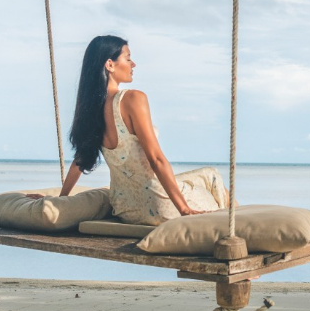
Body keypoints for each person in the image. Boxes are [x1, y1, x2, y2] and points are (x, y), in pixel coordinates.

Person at [58, 34, 229, 225]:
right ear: (110, 65)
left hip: (126, 209)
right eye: (128, 58)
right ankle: (241, 228)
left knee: (202, 177)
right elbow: (155, 159)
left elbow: (81, 159)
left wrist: (61, 198)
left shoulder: (91, 110)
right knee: (212, 176)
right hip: (159, 205)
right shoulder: (132, 99)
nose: (133, 65)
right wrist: (184, 209)